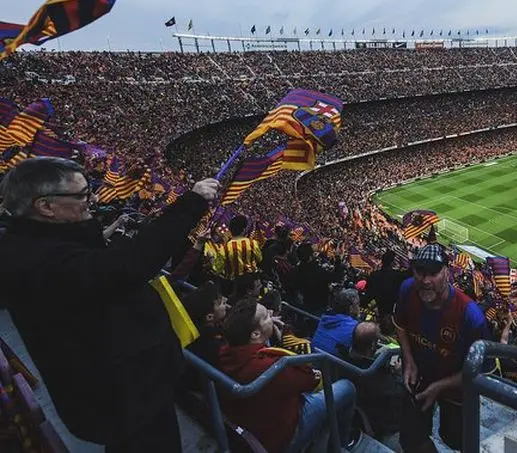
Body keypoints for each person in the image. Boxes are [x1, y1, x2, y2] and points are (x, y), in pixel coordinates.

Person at [0, 157, 219, 452]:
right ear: (46, 206)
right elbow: (126, 267)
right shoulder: (38, 261)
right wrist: (190, 203)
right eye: (80, 194)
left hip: (120, 393)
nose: (92, 198)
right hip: (125, 399)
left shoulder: (32, 243)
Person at [218, 298, 356, 453]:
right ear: (255, 334)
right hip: (283, 436)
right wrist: (284, 345)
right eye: (266, 317)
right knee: (347, 387)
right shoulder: (271, 368)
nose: (271, 316)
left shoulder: (226, 351)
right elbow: (310, 380)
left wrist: (273, 337)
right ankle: (343, 444)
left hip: (254, 426)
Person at [393, 244, 489, 453]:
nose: (426, 281)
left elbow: (479, 372)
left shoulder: (470, 316)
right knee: (411, 439)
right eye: (420, 271)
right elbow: (400, 325)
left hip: (456, 390)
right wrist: (409, 360)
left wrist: (439, 387)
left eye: (434, 273)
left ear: (447, 272)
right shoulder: (407, 290)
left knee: (457, 440)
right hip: (418, 379)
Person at [344, 321, 404, 438]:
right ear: (372, 346)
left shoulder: (341, 358)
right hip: (381, 425)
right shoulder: (375, 376)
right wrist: (398, 374)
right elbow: (398, 394)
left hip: (358, 414)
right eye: (377, 341)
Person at [210, 214, 262, 281]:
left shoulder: (224, 249)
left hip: (232, 285)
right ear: (243, 230)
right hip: (252, 283)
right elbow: (260, 259)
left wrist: (211, 257)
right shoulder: (252, 244)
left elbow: (216, 268)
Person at [295, 242, 344, 314]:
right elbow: (337, 276)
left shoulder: (296, 269)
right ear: (310, 256)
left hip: (305, 303)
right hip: (319, 307)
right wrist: (337, 258)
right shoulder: (318, 271)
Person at [312, 288, 361, 357]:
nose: (359, 307)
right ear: (351, 308)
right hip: (332, 364)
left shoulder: (325, 317)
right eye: (358, 304)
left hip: (313, 357)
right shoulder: (355, 326)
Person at [364, 250, 409, 318]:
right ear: (392, 262)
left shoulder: (373, 275)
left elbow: (368, 293)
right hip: (392, 312)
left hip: (376, 310)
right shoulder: (397, 275)